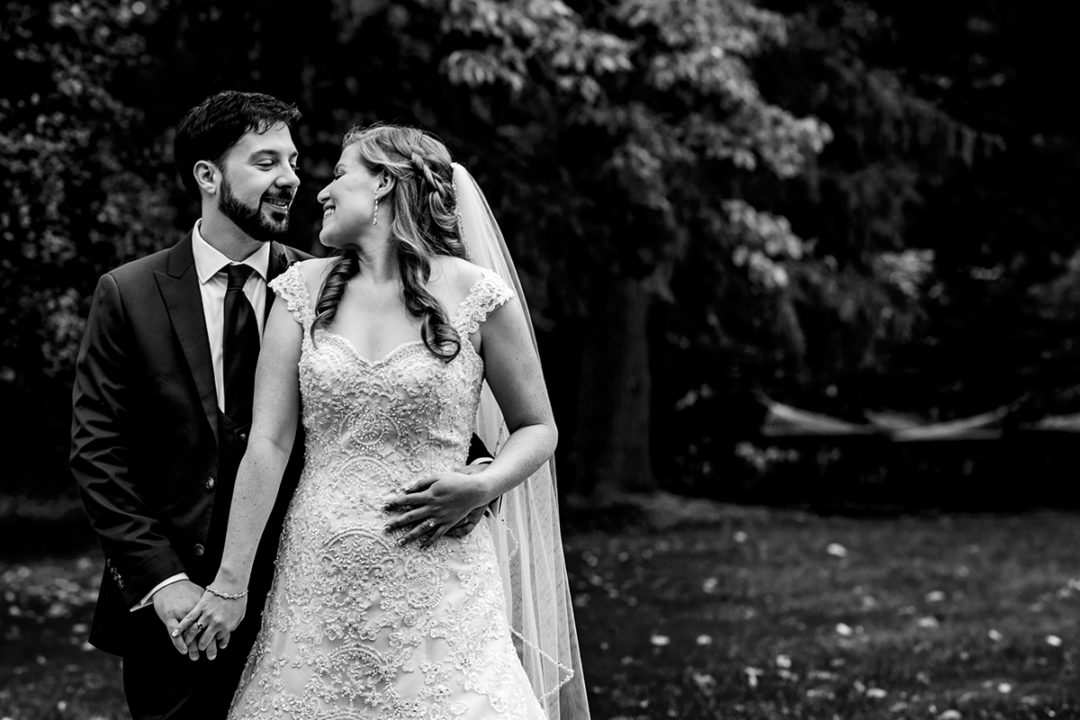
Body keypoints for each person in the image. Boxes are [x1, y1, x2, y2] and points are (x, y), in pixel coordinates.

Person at [69, 92, 490, 720]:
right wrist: (163, 580)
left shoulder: (330, 284)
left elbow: (424, 408)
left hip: (310, 599)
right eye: (266, 162)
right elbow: (98, 451)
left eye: (293, 161)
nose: (291, 179)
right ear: (208, 176)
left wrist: (480, 480)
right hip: (176, 610)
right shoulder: (128, 294)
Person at [174, 124, 590, 719]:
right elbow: (267, 443)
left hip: (442, 580)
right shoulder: (298, 293)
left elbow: (537, 427)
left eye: (340, 174)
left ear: (385, 186)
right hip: (319, 579)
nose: (319, 190)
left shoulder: (477, 294)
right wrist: (230, 581)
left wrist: (482, 485)